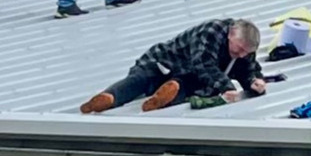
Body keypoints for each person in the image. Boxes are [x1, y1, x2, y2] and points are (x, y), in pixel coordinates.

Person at [79, 18, 267, 113]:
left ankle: (161, 99)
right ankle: (108, 98)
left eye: (246, 52)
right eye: (239, 49)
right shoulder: (212, 32)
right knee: (141, 78)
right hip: (163, 61)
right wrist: (226, 87)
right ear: (231, 33)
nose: (241, 55)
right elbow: (203, 63)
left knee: (182, 86)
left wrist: (254, 81)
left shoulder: (242, 49)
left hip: (184, 74)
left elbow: (248, 68)